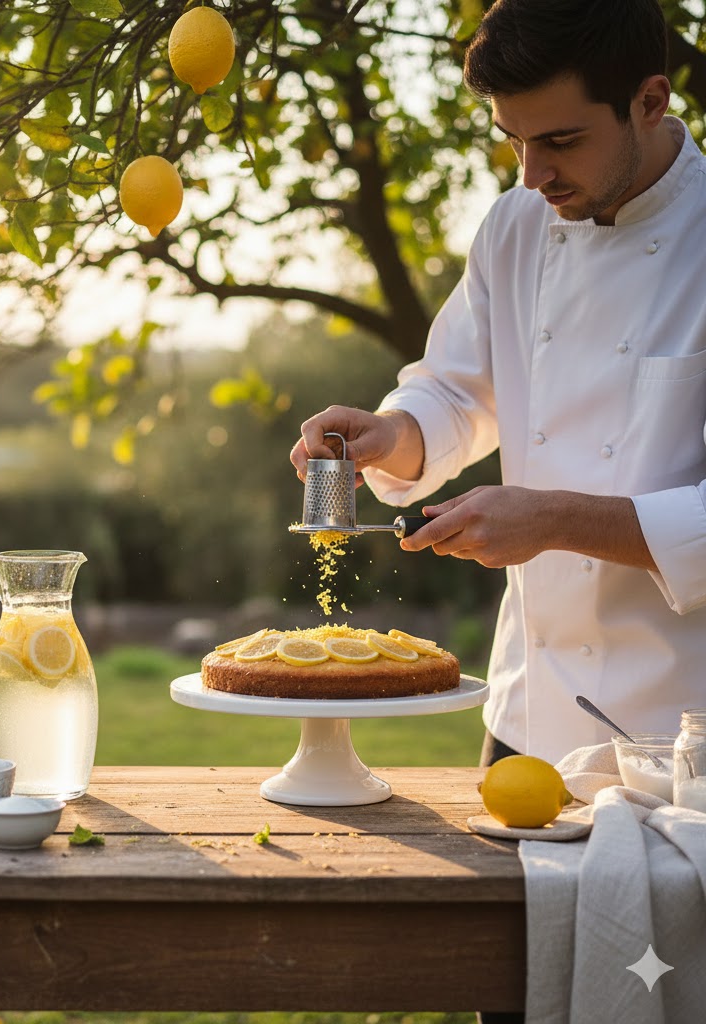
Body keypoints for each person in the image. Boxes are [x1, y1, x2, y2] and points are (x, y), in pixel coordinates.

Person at [291, 0, 706, 771]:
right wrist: (396, 434)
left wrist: (547, 519)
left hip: (681, 736)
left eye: (560, 141)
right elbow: (455, 391)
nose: (531, 174)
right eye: (513, 140)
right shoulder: (514, 224)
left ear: (651, 101)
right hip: (528, 717)